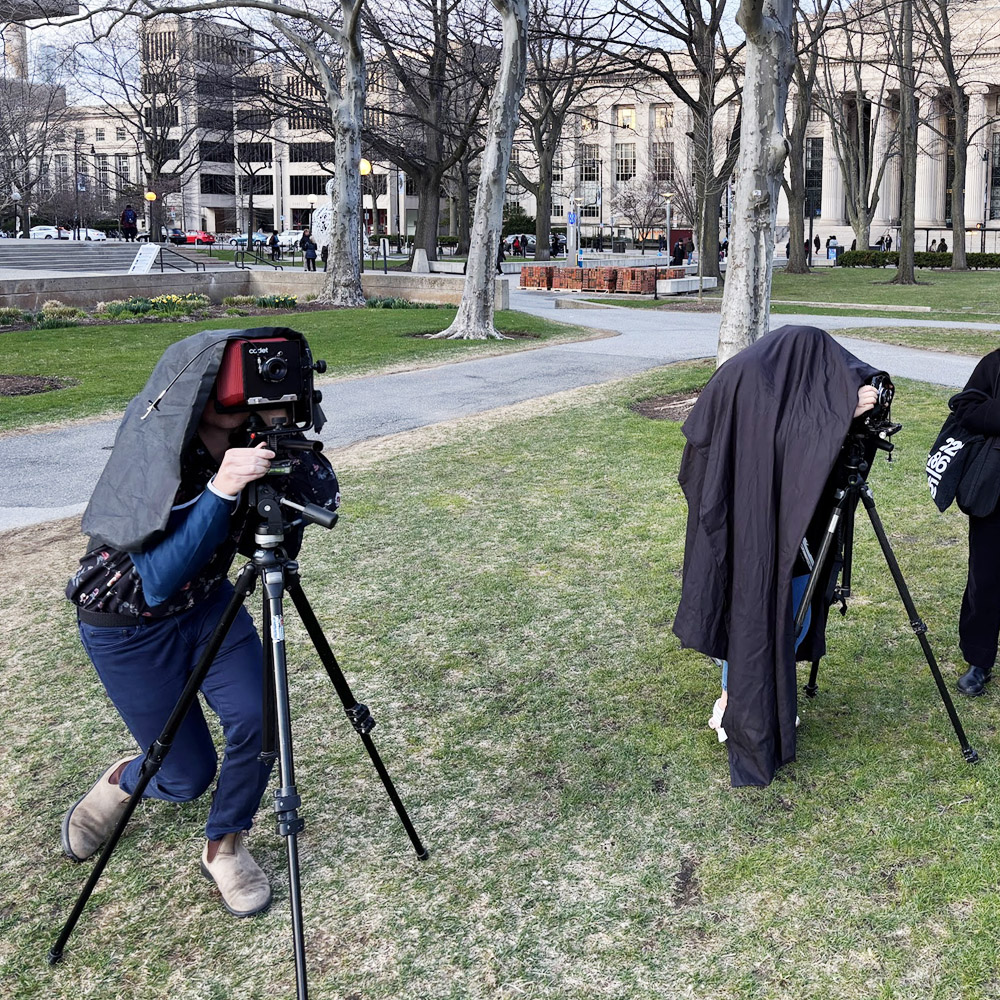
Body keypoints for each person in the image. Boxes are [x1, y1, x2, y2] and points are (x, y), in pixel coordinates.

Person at [61, 329, 340, 916]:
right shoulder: (156, 455)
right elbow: (159, 578)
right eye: (238, 383)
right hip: (128, 622)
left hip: (209, 604)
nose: (254, 399)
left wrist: (300, 480)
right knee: (185, 776)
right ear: (198, 391)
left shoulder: (260, 444)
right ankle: (125, 780)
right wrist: (220, 488)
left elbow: (268, 544)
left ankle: (226, 845)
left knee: (261, 721)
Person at [674, 325, 884, 786]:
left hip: (737, 513)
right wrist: (840, 412)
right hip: (750, 522)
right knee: (757, 607)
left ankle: (753, 691)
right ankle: (737, 699)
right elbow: (793, 437)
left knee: (765, 605)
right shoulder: (757, 383)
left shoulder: (751, 373)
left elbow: (787, 438)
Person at [946, 350, 1000, 696]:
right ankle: (979, 659)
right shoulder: (994, 363)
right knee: (986, 575)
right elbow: (963, 407)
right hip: (996, 493)